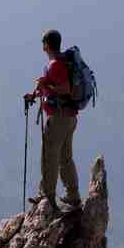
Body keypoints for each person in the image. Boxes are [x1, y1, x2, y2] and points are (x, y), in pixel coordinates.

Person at [24, 29, 80, 213]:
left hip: (59, 118)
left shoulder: (55, 65)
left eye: (43, 43)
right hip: (69, 117)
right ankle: (73, 195)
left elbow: (64, 88)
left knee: (50, 154)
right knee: (65, 157)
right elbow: (54, 88)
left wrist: (46, 86)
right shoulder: (60, 63)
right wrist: (35, 94)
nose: (42, 47)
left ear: (47, 44)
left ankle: (47, 197)